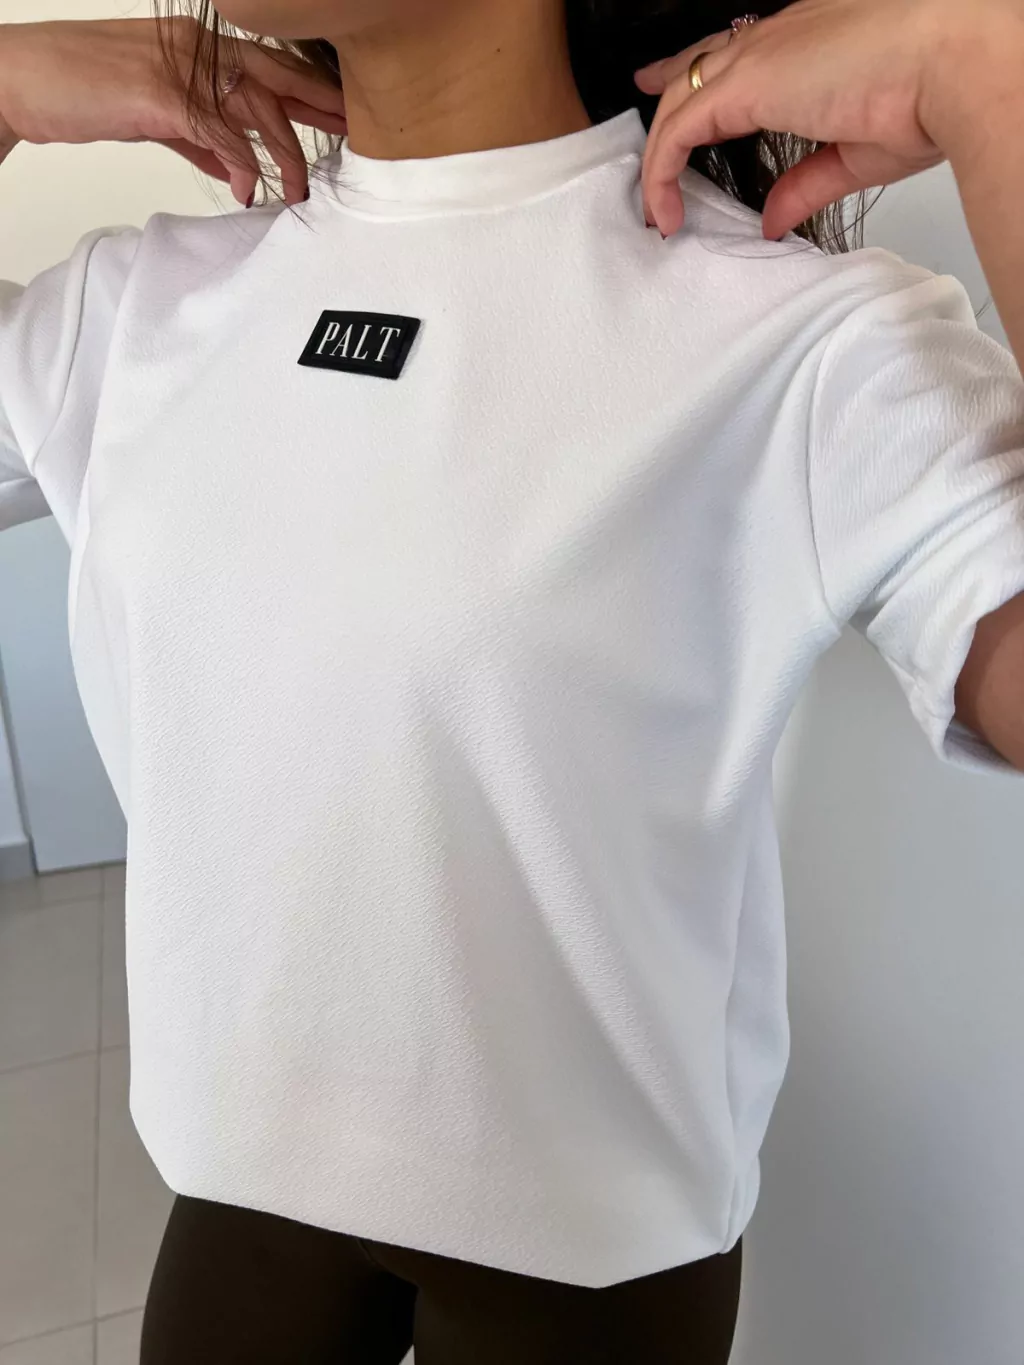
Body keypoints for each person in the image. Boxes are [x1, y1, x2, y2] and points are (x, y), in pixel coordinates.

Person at [1, 2, 1023, 1361]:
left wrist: (991, 80)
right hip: (241, 1165)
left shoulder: (800, 336)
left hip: (586, 1234)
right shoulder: (136, 309)